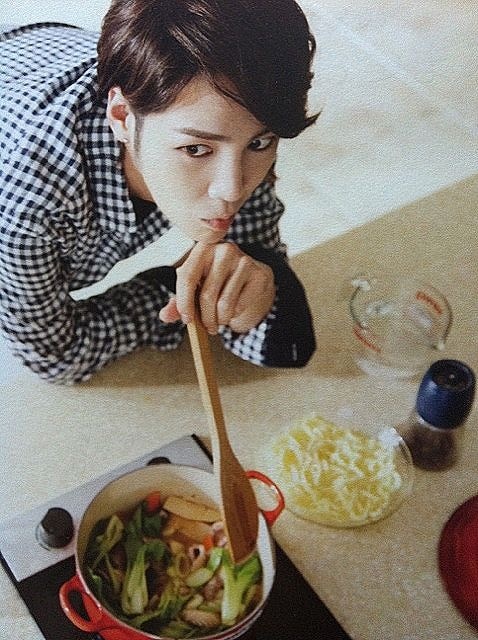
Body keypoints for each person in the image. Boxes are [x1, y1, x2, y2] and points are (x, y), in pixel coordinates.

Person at [0, 0, 318, 385]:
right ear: (121, 116)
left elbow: (255, 257)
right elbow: (57, 356)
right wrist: (169, 291)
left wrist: (255, 293)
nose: (232, 189)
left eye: (260, 143)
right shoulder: (29, 199)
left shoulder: (230, 117)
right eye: (196, 149)